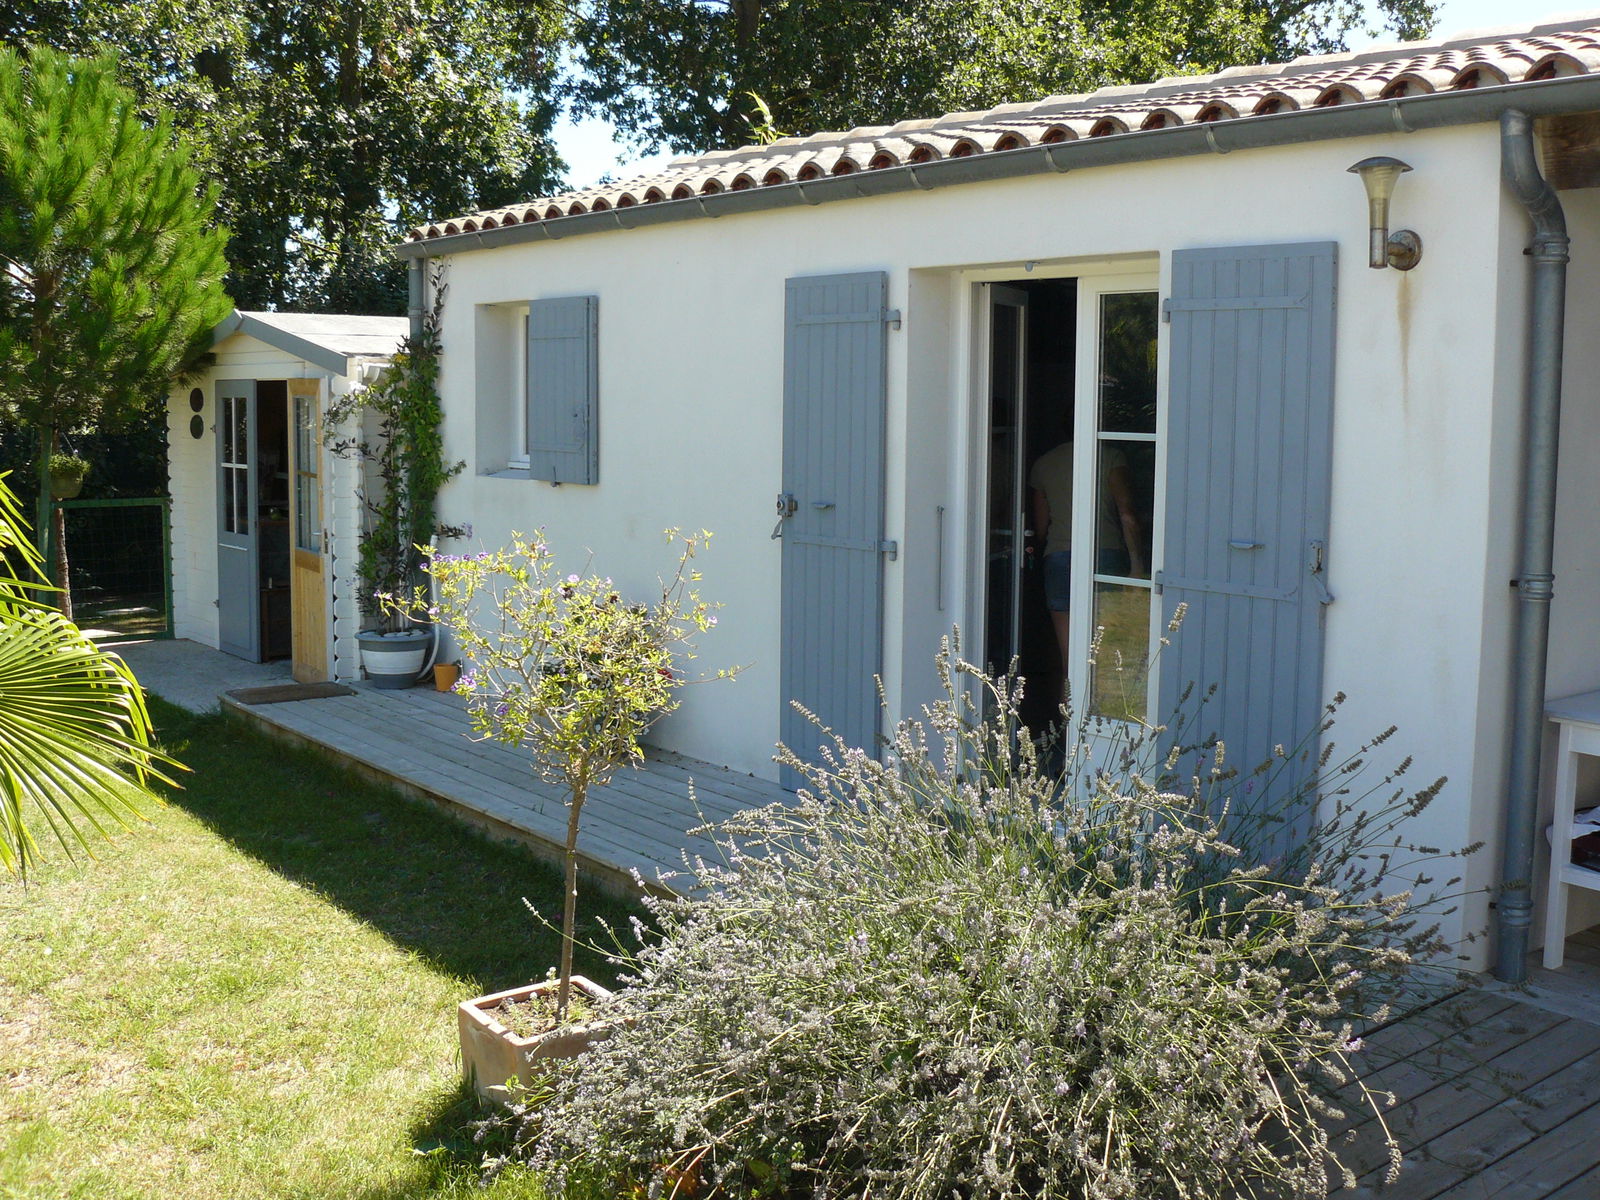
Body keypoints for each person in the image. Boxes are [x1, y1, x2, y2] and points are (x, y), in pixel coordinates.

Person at [1028, 433, 1146, 691]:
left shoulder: (1044, 463)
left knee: (1069, 660)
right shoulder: (1111, 457)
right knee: (1104, 652)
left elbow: (1041, 527)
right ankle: (1100, 713)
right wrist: (1137, 567)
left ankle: (1067, 716)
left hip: (1059, 558)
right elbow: (1127, 514)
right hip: (1106, 555)